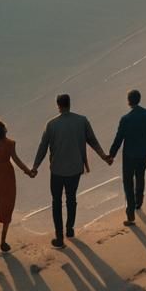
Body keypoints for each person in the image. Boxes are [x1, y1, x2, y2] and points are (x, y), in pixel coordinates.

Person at [32, 93, 110, 248]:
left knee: (56, 202)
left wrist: (35, 167)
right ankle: (70, 229)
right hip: (75, 169)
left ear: (58, 105)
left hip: (57, 170)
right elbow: (92, 141)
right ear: (69, 104)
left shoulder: (51, 124)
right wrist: (103, 156)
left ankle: (59, 237)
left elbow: (42, 147)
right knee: (71, 198)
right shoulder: (82, 121)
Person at [0, 118, 35, 255]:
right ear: (4, 131)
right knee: (7, 206)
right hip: (7, 177)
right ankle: (3, 241)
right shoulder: (10, 144)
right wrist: (28, 172)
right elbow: (16, 160)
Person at [108, 88, 146, 226]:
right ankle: (139, 202)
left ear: (128, 101)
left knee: (127, 182)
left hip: (129, 156)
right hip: (143, 154)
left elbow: (119, 139)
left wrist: (111, 155)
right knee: (140, 176)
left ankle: (130, 212)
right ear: (139, 99)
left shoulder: (126, 119)